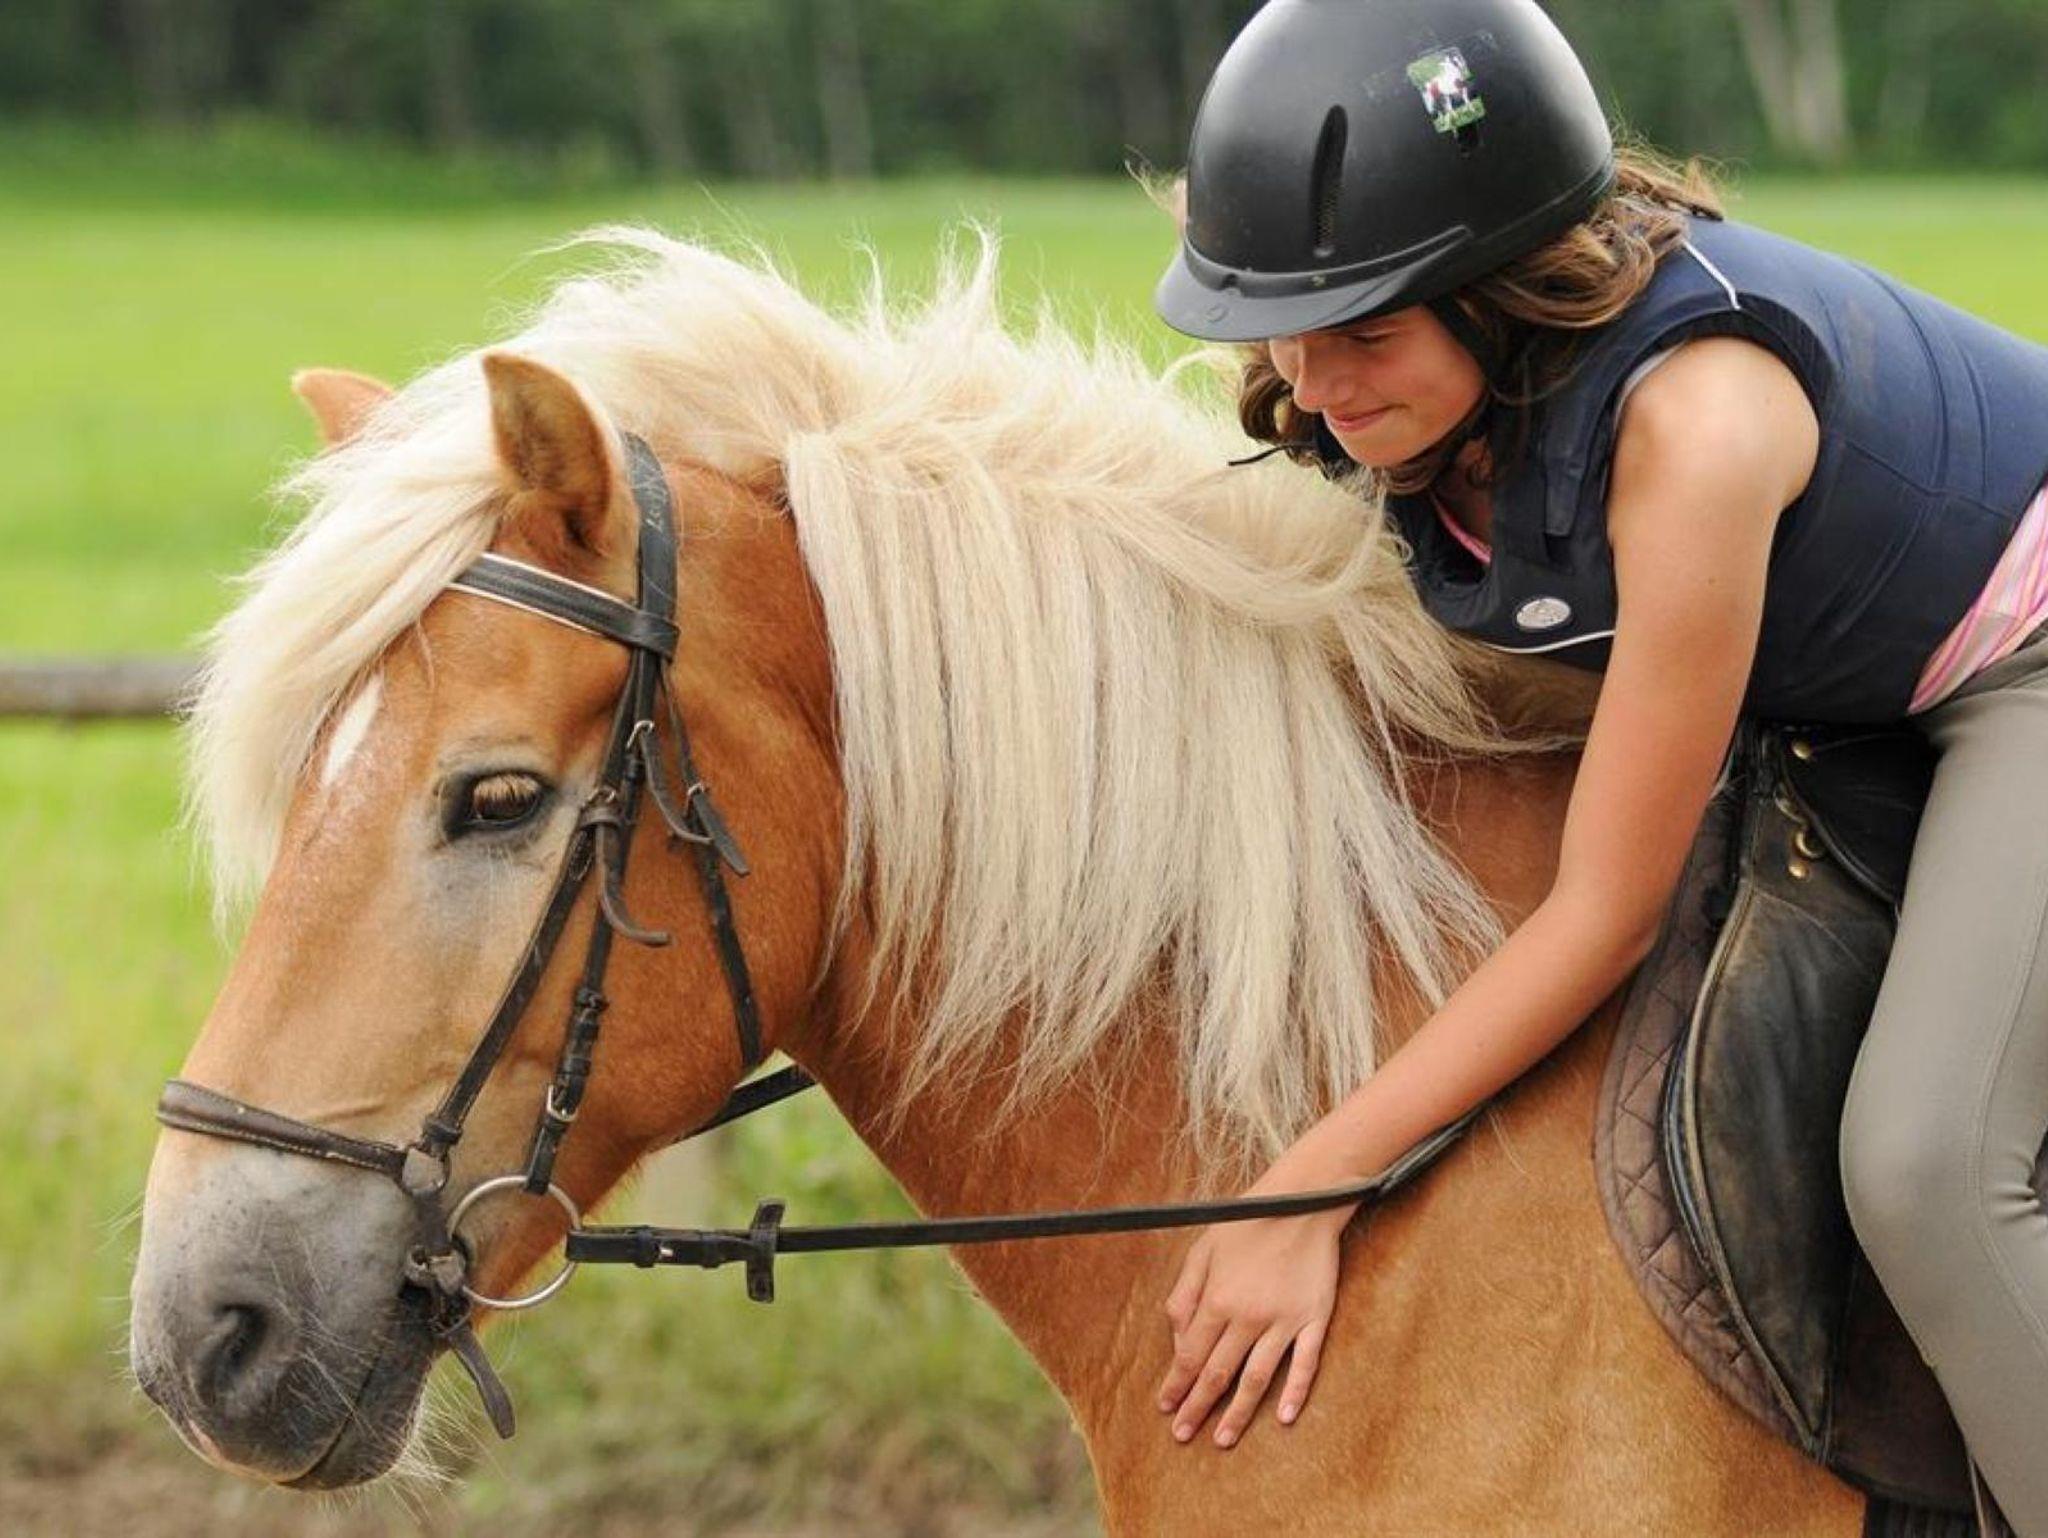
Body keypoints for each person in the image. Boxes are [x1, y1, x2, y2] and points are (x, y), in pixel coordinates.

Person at [1148, 0, 2048, 1527]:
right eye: (1288, 328)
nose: (1314, 383)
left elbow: (1603, 911)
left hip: (2022, 657)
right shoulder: (1389, 396)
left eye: (1366, 330)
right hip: (1855, 672)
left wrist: (1309, 1185)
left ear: (1502, 299)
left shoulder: (1694, 432)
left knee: (1925, 1168)